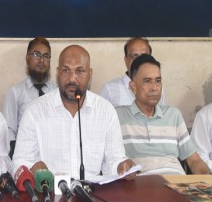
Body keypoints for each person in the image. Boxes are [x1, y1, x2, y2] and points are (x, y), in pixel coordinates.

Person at [12, 45, 133, 178]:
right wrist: (31, 169)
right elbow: (19, 163)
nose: (72, 79)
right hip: (51, 189)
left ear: (90, 74)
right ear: (57, 73)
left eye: (80, 71)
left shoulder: (105, 111)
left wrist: (122, 167)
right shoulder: (34, 112)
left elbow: (114, 160)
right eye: (66, 70)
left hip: (92, 190)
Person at [116, 54, 211, 175]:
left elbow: (194, 160)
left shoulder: (173, 115)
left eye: (158, 81)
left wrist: (208, 178)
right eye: (147, 81)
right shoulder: (118, 116)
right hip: (143, 183)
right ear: (133, 87)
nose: (154, 88)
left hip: (178, 181)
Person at [3, 37, 56, 154]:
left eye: (46, 56)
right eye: (37, 54)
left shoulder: (57, 92)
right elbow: (9, 131)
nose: (42, 60)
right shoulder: (15, 92)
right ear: (27, 58)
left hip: (53, 152)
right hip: (25, 153)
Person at [99, 37, 166, 107]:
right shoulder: (109, 89)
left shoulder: (156, 88)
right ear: (126, 60)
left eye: (144, 56)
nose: (140, 60)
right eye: (135, 56)